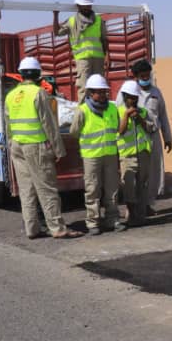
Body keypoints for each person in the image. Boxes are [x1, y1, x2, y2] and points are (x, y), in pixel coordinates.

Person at [3, 57, 81, 240]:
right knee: (47, 189)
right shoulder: (39, 94)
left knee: (26, 190)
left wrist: (11, 144)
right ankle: (57, 228)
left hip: (17, 146)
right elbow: (50, 125)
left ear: (21, 75)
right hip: (36, 146)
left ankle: (32, 228)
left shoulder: (11, 95)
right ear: (38, 74)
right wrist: (59, 150)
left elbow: (8, 125)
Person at [70, 74, 123, 235]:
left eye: (104, 92)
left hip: (110, 155)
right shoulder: (83, 111)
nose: (102, 95)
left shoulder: (113, 109)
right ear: (90, 93)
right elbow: (74, 132)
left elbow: (118, 128)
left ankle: (112, 219)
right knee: (92, 189)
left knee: (112, 189)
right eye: (98, 92)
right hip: (91, 156)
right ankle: (93, 222)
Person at [131, 59, 172, 214]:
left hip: (154, 137)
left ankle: (148, 204)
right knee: (139, 173)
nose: (146, 78)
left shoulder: (156, 92)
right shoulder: (130, 92)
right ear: (135, 76)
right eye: (142, 76)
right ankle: (136, 206)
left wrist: (167, 137)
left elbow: (163, 115)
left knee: (153, 172)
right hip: (137, 139)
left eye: (147, 75)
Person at [53, 0, 108, 102]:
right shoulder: (72, 21)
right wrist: (55, 16)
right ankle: (83, 112)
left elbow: (104, 39)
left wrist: (107, 56)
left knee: (100, 87)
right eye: (85, 5)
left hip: (98, 58)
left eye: (89, 5)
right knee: (84, 87)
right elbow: (57, 32)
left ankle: (100, 110)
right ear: (78, 6)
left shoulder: (98, 20)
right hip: (82, 60)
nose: (87, 7)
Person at [116, 79, 156, 227]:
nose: (133, 100)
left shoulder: (143, 111)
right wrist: (126, 116)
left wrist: (139, 118)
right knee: (129, 185)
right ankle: (131, 213)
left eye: (136, 98)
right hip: (127, 154)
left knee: (142, 185)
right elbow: (120, 131)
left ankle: (140, 215)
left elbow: (151, 128)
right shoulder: (118, 111)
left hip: (143, 152)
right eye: (131, 97)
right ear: (125, 96)